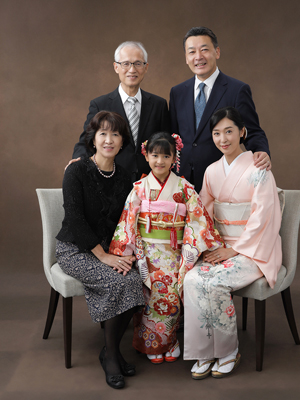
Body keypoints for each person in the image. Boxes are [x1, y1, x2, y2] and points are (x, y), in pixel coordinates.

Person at [183, 106, 282, 380]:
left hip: (253, 249)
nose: (223, 139)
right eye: (216, 133)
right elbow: (203, 213)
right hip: (221, 247)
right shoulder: (212, 171)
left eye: (229, 131)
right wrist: (211, 245)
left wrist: (234, 249)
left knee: (216, 282)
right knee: (191, 279)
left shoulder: (259, 168)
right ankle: (203, 351)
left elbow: (264, 217)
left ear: (242, 132)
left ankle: (228, 351)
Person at [109, 132, 224, 364]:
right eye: (154, 155)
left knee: (171, 295)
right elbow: (128, 220)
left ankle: (170, 341)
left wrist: (191, 250)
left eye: (165, 156)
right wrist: (127, 251)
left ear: (174, 159)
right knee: (149, 295)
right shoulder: (140, 187)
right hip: (147, 253)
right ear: (146, 156)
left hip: (175, 253)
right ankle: (151, 344)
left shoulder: (184, 187)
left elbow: (198, 220)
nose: (159, 161)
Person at [56, 111, 145, 390]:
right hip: (74, 249)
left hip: (109, 249)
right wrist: (104, 256)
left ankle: (110, 350)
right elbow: (75, 219)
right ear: (93, 139)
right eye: (103, 133)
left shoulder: (125, 178)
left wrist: (126, 252)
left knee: (135, 279)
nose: (109, 139)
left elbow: (127, 221)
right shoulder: (77, 171)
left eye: (115, 134)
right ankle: (112, 360)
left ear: (122, 142)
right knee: (116, 281)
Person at [169, 26, 271, 192]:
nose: (198, 57)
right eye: (192, 52)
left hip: (223, 179)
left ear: (217, 52)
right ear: (186, 58)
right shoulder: (177, 92)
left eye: (204, 50)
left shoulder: (237, 90)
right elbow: (172, 136)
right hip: (182, 182)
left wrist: (261, 151)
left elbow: (252, 131)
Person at [72, 41, 171, 182]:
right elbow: (86, 142)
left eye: (138, 63)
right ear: (116, 67)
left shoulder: (159, 104)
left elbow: (166, 143)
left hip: (150, 182)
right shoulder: (100, 105)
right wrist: (78, 163)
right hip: (112, 180)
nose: (132, 70)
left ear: (146, 67)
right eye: (125, 64)